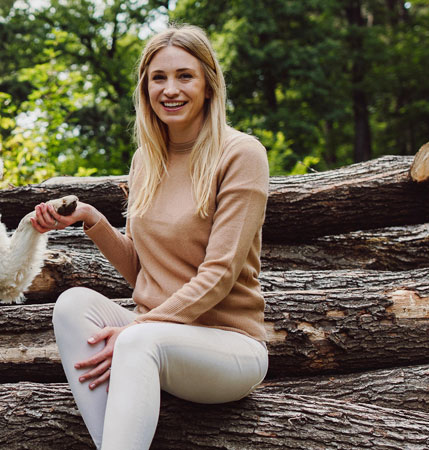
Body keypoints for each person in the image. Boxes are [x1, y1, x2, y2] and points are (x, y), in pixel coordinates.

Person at [27, 24, 270, 450]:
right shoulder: (147, 160)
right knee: (72, 306)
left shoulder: (241, 154)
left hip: (229, 347)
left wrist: (139, 327)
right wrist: (90, 218)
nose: (170, 90)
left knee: (138, 339)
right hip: (156, 341)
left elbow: (220, 273)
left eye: (184, 76)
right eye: (159, 78)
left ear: (209, 85)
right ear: (145, 88)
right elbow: (142, 270)